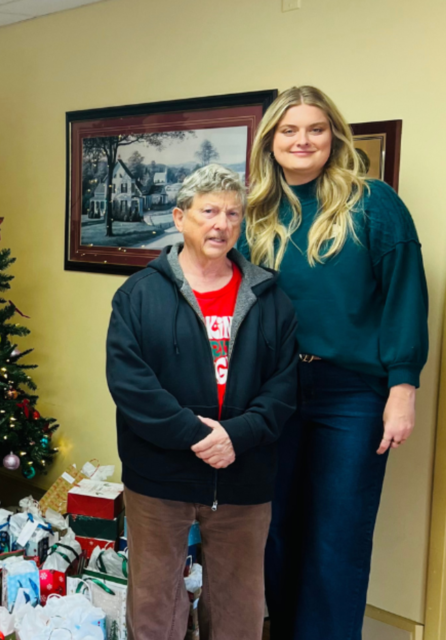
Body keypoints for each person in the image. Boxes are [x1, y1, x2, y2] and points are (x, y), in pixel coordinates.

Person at [241, 86, 429, 640]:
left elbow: (405, 297)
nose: (303, 140)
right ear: (270, 142)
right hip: (273, 391)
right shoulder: (255, 212)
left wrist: (403, 388)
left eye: (315, 129)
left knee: (337, 533)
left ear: (334, 136)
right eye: (289, 130)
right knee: (273, 530)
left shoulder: (373, 203)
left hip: (352, 393)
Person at [106, 164, 298, 640]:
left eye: (233, 214)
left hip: (244, 476)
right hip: (159, 478)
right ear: (179, 218)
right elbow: (131, 384)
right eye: (209, 211)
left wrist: (237, 435)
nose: (222, 224)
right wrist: (197, 435)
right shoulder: (139, 295)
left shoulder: (270, 298)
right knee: (155, 606)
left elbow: (284, 386)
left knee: (239, 608)